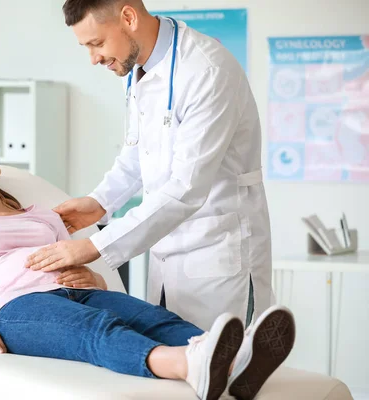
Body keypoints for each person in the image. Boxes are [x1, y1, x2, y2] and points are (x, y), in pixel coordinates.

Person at [0, 127, 295, 400]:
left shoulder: (43, 216)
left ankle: (238, 360)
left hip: (80, 293)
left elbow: (82, 263)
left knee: (156, 319)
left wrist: (92, 279)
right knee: (98, 330)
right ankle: (188, 365)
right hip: (17, 309)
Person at [26, 0, 273, 341]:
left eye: (96, 43)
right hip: (166, 252)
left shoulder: (206, 71)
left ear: (128, 17)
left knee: (224, 372)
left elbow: (186, 188)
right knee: (178, 368)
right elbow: (137, 154)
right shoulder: (139, 70)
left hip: (216, 253)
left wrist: (94, 247)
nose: (94, 58)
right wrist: (99, 203)